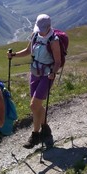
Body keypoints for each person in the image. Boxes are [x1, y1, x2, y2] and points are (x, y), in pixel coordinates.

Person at [8, 14, 62, 148]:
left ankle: (35, 135)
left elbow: (58, 61)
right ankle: (46, 130)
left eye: (43, 28)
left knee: (34, 106)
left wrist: (53, 72)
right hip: (34, 72)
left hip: (47, 75)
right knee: (36, 106)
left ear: (49, 26)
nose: (41, 30)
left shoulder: (54, 40)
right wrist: (14, 55)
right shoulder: (35, 35)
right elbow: (28, 50)